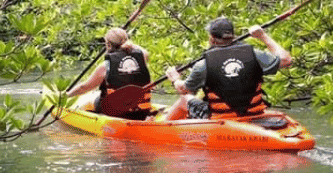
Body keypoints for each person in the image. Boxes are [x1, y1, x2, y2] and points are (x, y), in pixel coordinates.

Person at [163, 16, 292, 121]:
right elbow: (286, 60)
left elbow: (184, 89)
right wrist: (262, 36)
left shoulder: (203, 65)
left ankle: (162, 128)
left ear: (211, 39)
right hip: (254, 113)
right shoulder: (254, 55)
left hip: (222, 118)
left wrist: (175, 79)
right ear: (233, 36)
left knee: (185, 99)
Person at [67, 27, 153, 119]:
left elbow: (84, 88)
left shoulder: (104, 66)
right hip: (141, 112)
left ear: (108, 44)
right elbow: (143, 51)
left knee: (91, 97)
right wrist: (128, 43)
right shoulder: (142, 57)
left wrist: (67, 95)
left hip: (115, 113)